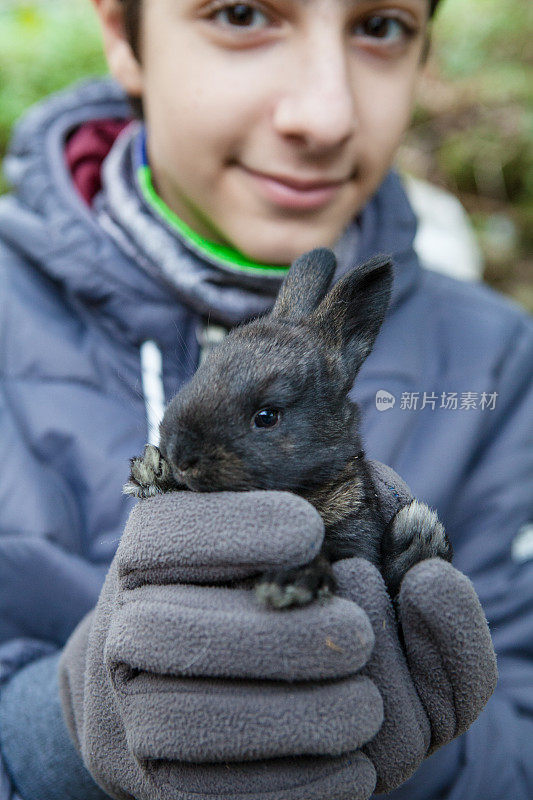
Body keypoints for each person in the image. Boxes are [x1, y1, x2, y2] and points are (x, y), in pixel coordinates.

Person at [0, 0, 531, 797]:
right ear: (122, 31)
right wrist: (56, 732)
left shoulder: (495, 366)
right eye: (242, 12)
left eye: (379, 25)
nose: (323, 114)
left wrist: (424, 735)